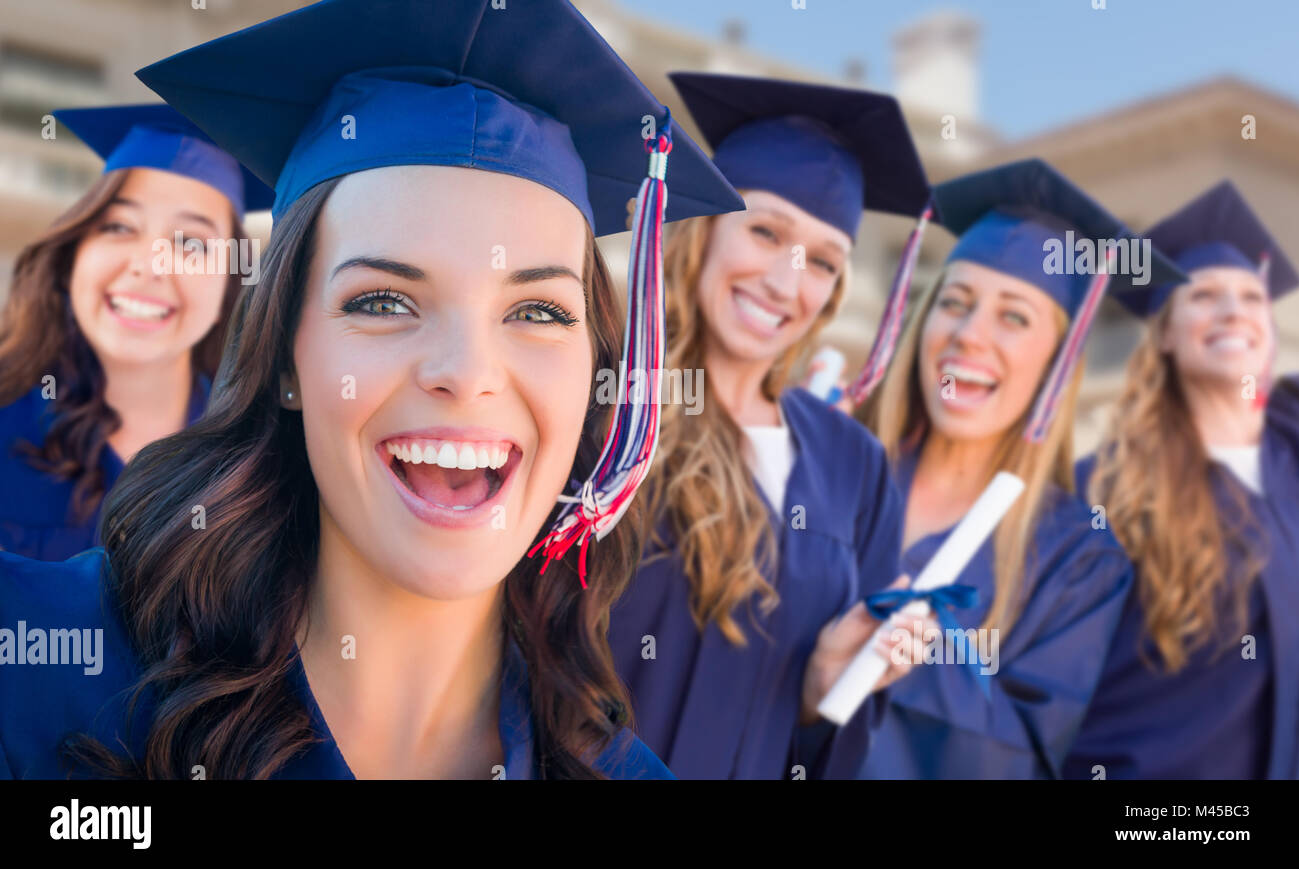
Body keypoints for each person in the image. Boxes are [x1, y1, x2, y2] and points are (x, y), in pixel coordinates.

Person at [0, 0, 743, 780]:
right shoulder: (46, 670)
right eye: (383, 301)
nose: (468, 371)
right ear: (284, 355)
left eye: (537, 310)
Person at [607, 72, 937, 779]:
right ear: (702, 226)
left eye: (822, 262)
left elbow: (833, 741)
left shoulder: (854, 463)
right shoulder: (607, 408)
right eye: (765, 231)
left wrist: (824, 690)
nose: (788, 284)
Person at [853, 158, 1177, 778]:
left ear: (1058, 364)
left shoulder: (1079, 559)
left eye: (1014, 316)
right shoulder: (834, 476)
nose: (970, 335)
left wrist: (909, 656)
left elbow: (1024, 758)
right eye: (955, 302)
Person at [1065, 181, 1299, 779]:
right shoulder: (1102, 494)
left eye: (1252, 297)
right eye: (1205, 296)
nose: (1233, 311)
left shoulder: (1292, 465)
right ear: (1165, 334)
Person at [0, 104, 271, 560]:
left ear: (228, 282)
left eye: (191, 243)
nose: (148, 265)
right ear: (74, 254)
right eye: (119, 226)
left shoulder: (257, 462)